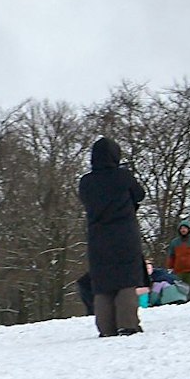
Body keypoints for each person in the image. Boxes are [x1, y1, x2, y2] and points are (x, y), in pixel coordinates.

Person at [78, 137, 147, 338]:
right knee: (126, 280)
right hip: (124, 235)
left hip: (98, 238)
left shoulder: (86, 181)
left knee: (102, 283)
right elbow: (139, 195)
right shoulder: (123, 177)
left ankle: (106, 328)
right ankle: (127, 324)